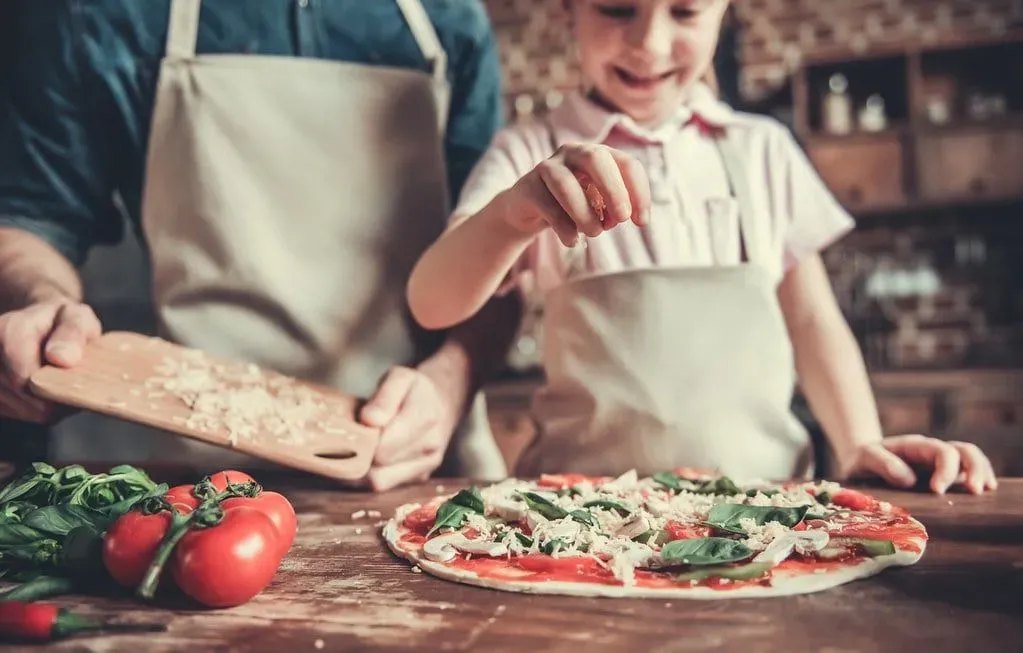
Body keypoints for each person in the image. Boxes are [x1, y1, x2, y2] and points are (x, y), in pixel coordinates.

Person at [406, 0, 998, 495]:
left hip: (764, 513)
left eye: (686, 11)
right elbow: (433, 303)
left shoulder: (763, 150)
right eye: (617, 8)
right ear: (569, 10)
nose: (649, 43)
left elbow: (815, 323)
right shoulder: (528, 151)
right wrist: (515, 213)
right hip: (582, 518)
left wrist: (861, 446)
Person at [0, 0, 520, 490]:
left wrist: (451, 381)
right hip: (203, 472)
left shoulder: (448, 17)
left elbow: (501, 259)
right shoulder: (100, 12)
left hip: (415, 461)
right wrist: (42, 303)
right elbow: (32, 219)